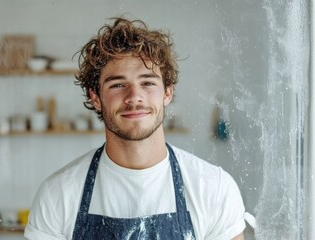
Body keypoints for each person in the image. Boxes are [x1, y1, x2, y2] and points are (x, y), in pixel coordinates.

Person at [24, 17, 247, 240]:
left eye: (148, 82)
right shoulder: (58, 195)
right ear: (96, 98)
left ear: (167, 93)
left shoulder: (214, 189)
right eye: (118, 85)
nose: (134, 97)